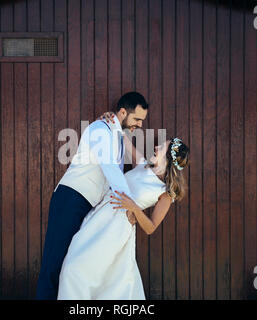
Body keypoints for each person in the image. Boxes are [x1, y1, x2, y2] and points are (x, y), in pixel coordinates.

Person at [36, 92, 149, 300]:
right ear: (123, 112)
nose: (140, 125)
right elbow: (111, 171)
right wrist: (130, 206)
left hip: (90, 207)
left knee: (73, 265)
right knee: (54, 264)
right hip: (71, 199)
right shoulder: (100, 129)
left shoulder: (119, 137)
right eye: (137, 119)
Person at [57, 128, 190, 299]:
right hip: (98, 217)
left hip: (116, 230)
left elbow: (150, 228)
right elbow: (125, 141)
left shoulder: (165, 193)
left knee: (99, 277)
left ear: (168, 159)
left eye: (161, 148)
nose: (156, 147)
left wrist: (134, 208)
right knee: (72, 266)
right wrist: (113, 121)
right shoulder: (143, 165)